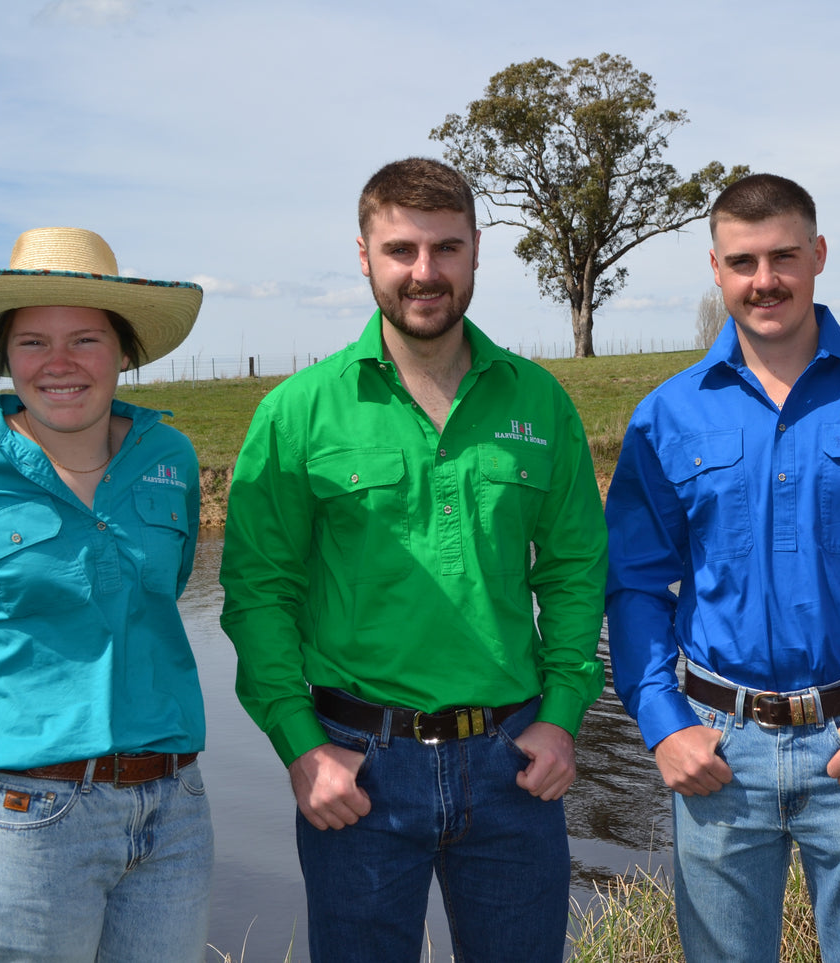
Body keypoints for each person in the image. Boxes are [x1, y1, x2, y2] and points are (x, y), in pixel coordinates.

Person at [219, 157, 607, 963]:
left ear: (474, 254)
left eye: (446, 248)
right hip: (355, 770)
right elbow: (260, 592)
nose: (424, 273)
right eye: (400, 250)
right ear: (364, 254)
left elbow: (572, 569)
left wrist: (564, 715)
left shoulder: (538, 403)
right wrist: (299, 744)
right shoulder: (298, 411)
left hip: (515, 761)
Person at [604, 173, 840, 962]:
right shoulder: (668, 414)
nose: (763, 280)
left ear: (817, 255)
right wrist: (663, 724)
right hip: (715, 747)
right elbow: (633, 584)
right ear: (715, 268)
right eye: (742, 262)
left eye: (782, 257)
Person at [0, 226, 211, 962]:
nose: (58, 363)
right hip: (29, 818)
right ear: (4, 357)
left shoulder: (169, 458)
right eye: (32, 342)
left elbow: (158, 600)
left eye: (85, 339)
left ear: (123, 352)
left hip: (175, 813)